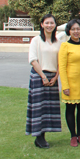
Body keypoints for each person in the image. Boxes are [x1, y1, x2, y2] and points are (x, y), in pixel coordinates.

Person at [26, 14, 62, 148]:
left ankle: (43, 135)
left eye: (52, 23)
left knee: (48, 108)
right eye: (46, 23)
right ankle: (39, 137)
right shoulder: (36, 40)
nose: (49, 25)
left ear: (55, 25)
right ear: (42, 24)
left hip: (52, 77)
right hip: (39, 76)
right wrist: (43, 76)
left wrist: (56, 77)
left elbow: (61, 61)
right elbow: (33, 60)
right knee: (39, 107)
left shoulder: (58, 42)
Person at [58, 19, 80, 147]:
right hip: (71, 83)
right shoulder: (65, 46)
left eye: (78, 29)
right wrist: (65, 86)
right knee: (70, 109)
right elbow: (62, 67)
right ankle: (73, 135)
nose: (76, 31)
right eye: (73, 29)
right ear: (69, 31)